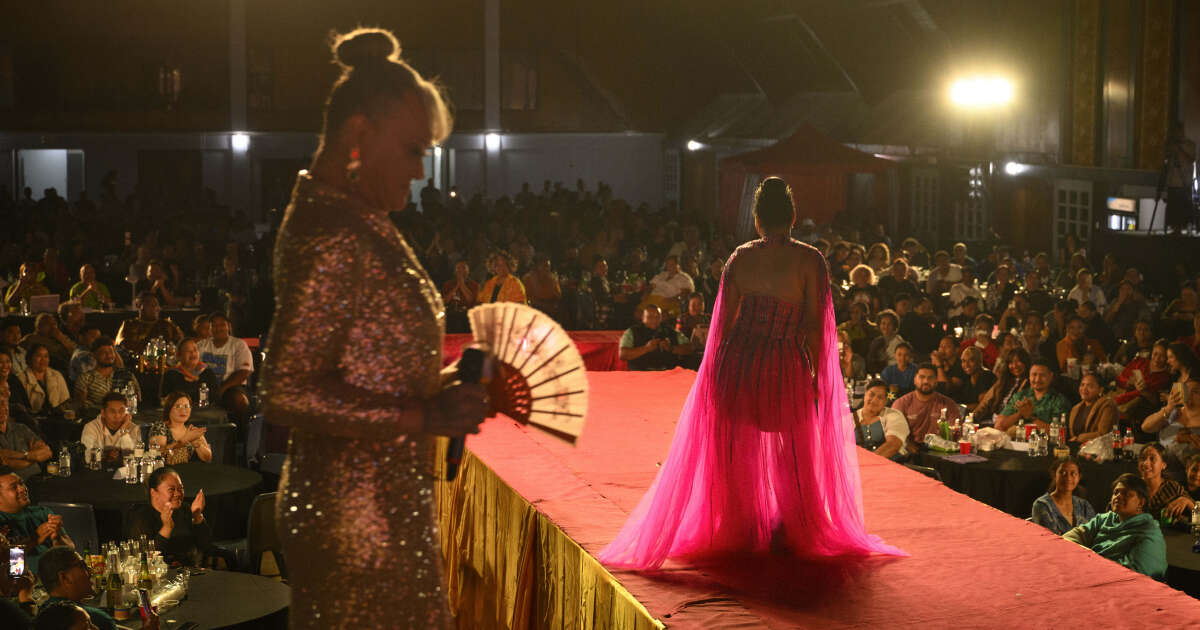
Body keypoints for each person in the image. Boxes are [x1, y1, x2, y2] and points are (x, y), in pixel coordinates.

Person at [259, 28, 489, 628]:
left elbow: (368, 367)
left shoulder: (355, 218)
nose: (420, 172)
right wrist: (425, 418)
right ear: (359, 134)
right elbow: (284, 387)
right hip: (355, 521)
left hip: (378, 504)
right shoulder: (334, 230)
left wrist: (442, 386)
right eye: (414, 150)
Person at [599, 177, 903, 570]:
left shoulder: (739, 258)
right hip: (784, 362)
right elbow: (815, 326)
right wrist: (816, 376)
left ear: (757, 221)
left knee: (735, 449)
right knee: (792, 450)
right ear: (792, 217)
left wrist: (711, 372)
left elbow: (721, 325)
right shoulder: (810, 260)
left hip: (737, 360)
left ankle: (738, 529)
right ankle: (797, 528)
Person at [1063, 473, 1166, 580]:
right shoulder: (1105, 519)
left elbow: (1134, 573)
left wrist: (1089, 562)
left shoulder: (1148, 531)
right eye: (1116, 492)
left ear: (1141, 502)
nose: (1118, 496)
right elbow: (1069, 539)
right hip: (1093, 575)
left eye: (1126, 494)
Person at [36, 546, 148, 630]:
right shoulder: (89, 618)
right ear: (64, 577)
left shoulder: (44, 613)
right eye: (82, 566)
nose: (90, 571)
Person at [127, 467, 210, 566]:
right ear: (154, 493)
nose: (178, 494)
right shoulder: (141, 516)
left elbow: (205, 545)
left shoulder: (185, 509)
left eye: (181, 489)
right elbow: (144, 558)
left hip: (188, 570)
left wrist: (197, 516)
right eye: (171, 489)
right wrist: (167, 528)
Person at [0, 469, 73, 573]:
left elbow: (70, 549)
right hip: (23, 584)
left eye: (21, 483)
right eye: (14, 487)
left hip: (54, 580)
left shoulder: (42, 512)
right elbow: (13, 569)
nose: (22, 489)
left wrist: (57, 539)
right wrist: (35, 538)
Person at [196, 313, 252, 423]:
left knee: (238, 400)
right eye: (214, 325)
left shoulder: (239, 345)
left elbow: (244, 372)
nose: (218, 328)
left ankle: (240, 434)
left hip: (231, 387)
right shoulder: (201, 345)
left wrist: (222, 388)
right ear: (210, 328)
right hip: (203, 386)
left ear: (228, 327)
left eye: (222, 325)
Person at [892, 364, 961, 448]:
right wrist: (910, 448)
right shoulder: (901, 403)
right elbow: (895, 434)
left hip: (940, 450)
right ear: (914, 380)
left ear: (936, 381)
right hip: (909, 452)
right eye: (922, 377)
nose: (926, 381)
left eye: (930, 378)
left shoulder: (948, 404)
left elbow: (957, 431)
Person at [994, 359, 1070, 433]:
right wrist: (1019, 414)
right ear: (1029, 376)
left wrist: (1031, 417)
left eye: (1042, 375)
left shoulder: (1059, 401)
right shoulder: (1020, 396)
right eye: (1034, 375)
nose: (1037, 380)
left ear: (1051, 376)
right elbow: (999, 426)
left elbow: (1060, 433)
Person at [72, 338, 139, 416]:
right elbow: (80, 406)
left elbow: (135, 401)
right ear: (94, 355)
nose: (109, 355)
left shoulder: (127, 375)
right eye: (103, 353)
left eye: (111, 352)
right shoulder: (85, 378)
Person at [1031, 458, 1097, 535]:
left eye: (1073, 473)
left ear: (1079, 477)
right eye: (1063, 472)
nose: (1068, 478)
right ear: (1054, 475)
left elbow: (1094, 533)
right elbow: (1049, 540)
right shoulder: (1042, 505)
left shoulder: (1084, 505)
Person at [618, 305, 691, 371]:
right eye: (650, 317)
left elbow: (689, 348)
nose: (654, 320)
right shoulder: (632, 332)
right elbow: (623, 354)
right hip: (640, 374)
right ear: (643, 318)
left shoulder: (670, 331)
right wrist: (646, 348)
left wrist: (671, 348)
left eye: (657, 317)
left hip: (667, 374)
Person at [1135, 443, 1191, 527]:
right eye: (1142, 458)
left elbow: (1196, 512)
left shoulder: (1172, 488)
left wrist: (1187, 501)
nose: (1146, 463)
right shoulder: (1132, 486)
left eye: (1152, 459)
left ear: (1163, 465)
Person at [148, 392, 211, 465]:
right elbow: (158, 454)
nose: (183, 410)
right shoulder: (159, 427)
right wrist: (184, 440)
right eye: (178, 406)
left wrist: (198, 445)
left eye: (186, 406)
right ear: (169, 409)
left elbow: (208, 459)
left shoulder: (192, 431)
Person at [852, 380, 909, 460]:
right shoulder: (849, 418)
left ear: (885, 401)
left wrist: (867, 463)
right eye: (871, 395)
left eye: (880, 397)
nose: (874, 400)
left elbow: (893, 444)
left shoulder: (894, 415)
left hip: (890, 466)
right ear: (865, 395)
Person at [114, 293, 183, 357]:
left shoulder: (167, 325)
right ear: (139, 306)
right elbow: (121, 347)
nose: (156, 308)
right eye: (151, 305)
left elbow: (181, 344)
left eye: (157, 305)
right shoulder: (129, 325)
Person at [161, 338, 220, 407]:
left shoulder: (207, 373)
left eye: (195, 349)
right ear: (179, 355)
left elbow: (216, 397)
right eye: (188, 350)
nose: (193, 353)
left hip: (204, 413)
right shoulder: (171, 374)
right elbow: (165, 399)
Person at [17, 345, 71, 417]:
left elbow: (65, 401)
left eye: (46, 356)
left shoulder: (56, 375)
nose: (43, 360)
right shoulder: (21, 379)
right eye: (39, 356)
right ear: (30, 358)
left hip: (57, 419)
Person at [942, 346, 996, 413]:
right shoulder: (966, 377)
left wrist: (959, 407)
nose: (966, 365)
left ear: (979, 361)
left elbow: (983, 405)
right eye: (963, 361)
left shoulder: (986, 376)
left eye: (971, 360)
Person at [1067, 373, 1116, 443]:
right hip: (1077, 448)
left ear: (1100, 390)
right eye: (1082, 385)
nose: (1084, 388)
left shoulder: (1107, 406)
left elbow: (1103, 434)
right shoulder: (1075, 408)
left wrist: (1079, 438)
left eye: (1090, 386)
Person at [440, 261, 479, 334]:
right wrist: (457, 286)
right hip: (451, 313)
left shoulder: (474, 285)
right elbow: (445, 301)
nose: (461, 272)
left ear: (468, 272)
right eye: (458, 269)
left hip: (466, 314)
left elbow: (470, 300)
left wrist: (462, 285)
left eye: (463, 269)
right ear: (455, 272)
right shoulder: (448, 284)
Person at [866, 309, 904, 374]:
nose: (886, 326)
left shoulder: (899, 342)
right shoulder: (876, 341)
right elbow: (870, 362)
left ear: (894, 326)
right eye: (883, 323)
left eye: (889, 324)